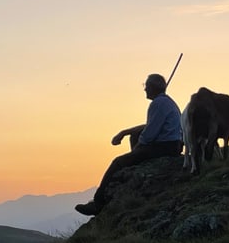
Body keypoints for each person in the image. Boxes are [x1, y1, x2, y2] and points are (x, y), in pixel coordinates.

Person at [75, 73, 182, 216]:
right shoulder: (166, 102)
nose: (145, 89)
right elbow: (150, 126)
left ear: (153, 87)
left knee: (118, 162)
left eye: (146, 86)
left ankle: (98, 203)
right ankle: (135, 163)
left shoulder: (157, 104)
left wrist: (137, 150)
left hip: (165, 147)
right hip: (173, 145)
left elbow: (150, 133)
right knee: (135, 135)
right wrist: (125, 132)